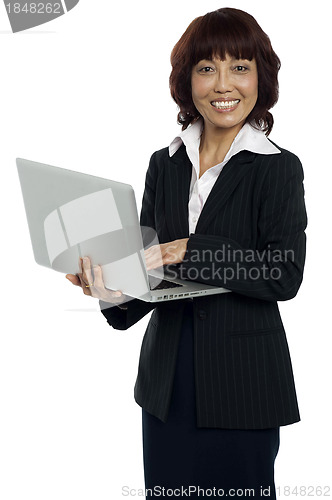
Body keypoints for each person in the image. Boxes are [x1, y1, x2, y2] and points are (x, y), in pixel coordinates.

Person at [66, 7, 307, 499]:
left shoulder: (278, 168)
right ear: (187, 81)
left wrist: (191, 249)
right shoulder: (165, 163)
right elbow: (148, 273)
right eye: (206, 68)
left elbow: (284, 274)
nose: (224, 84)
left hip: (244, 387)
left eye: (240, 66)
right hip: (167, 387)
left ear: (261, 76)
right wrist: (113, 289)